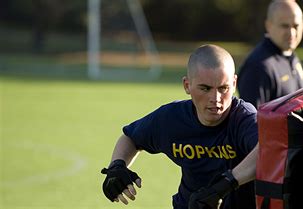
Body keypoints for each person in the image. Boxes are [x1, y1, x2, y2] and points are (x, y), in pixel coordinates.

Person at [100, 44, 259, 209]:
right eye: (205, 88)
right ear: (187, 86)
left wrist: (225, 185)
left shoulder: (244, 118)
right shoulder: (172, 118)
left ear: (234, 84)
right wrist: (117, 166)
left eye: (223, 88)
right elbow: (131, 138)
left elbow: (267, 151)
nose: (216, 98)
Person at [237, 0, 303, 108]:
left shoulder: (291, 56)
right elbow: (253, 121)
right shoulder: (258, 67)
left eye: (296, 26)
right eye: (284, 26)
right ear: (268, 25)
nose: (292, 33)